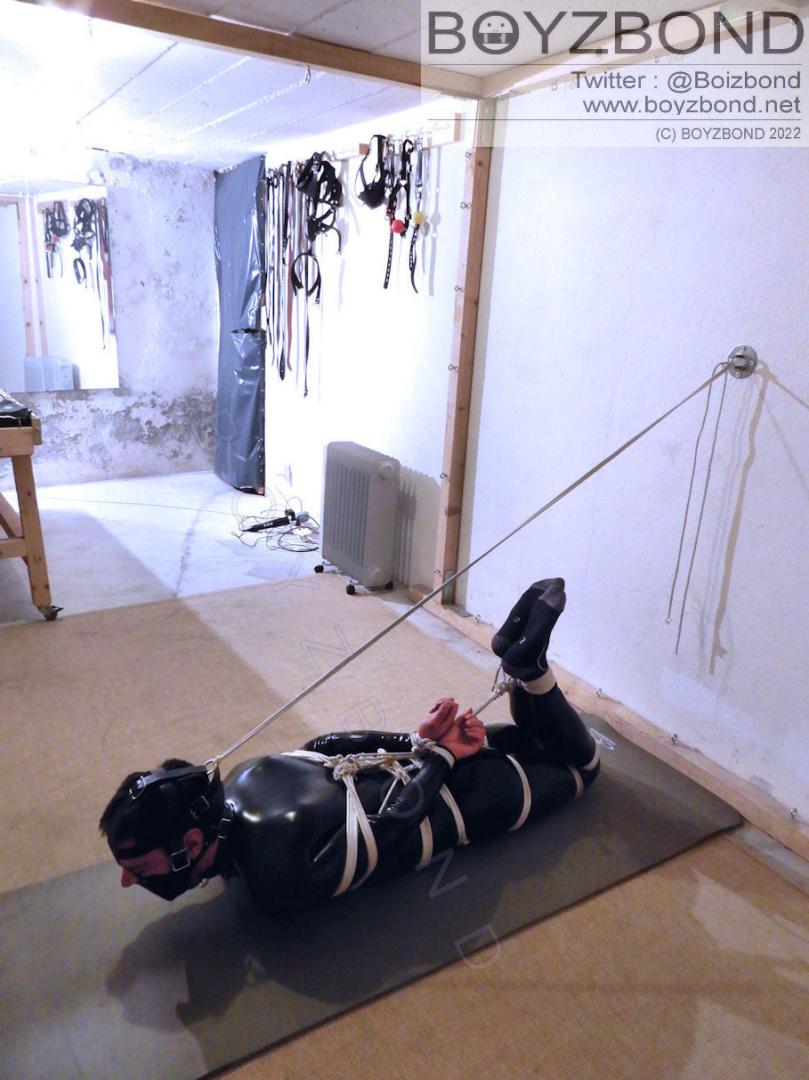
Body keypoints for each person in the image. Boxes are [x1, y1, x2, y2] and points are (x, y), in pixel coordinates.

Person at [100, 578, 600, 914]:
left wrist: (440, 752)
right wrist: (418, 742)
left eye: (138, 869)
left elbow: (392, 827)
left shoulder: (274, 879)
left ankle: (530, 669)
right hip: (431, 771)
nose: (127, 881)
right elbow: (325, 745)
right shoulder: (241, 777)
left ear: (190, 844)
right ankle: (522, 667)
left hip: (469, 799)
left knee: (582, 768)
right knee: (535, 739)